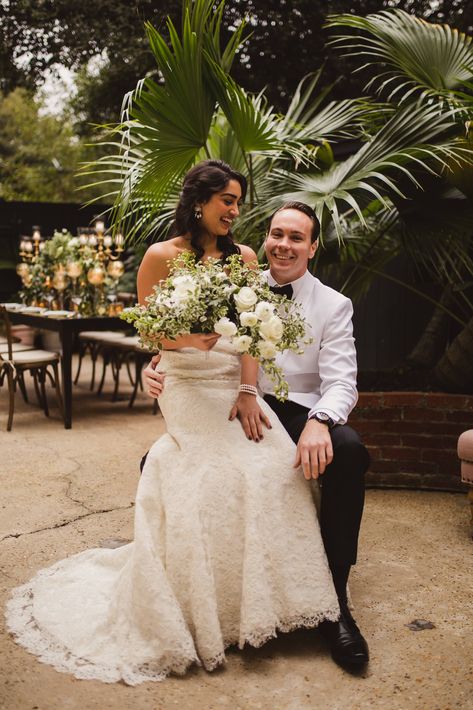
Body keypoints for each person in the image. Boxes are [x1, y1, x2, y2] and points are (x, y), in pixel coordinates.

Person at [5, 161, 341, 685]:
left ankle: (265, 605)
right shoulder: (161, 258)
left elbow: (252, 332)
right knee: (210, 474)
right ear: (200, 201)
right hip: (184, 384)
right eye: (227, 200)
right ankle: (200, 609)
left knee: (272, 465)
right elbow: (150, 334)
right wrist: (184, 343)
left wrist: (251, 392)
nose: (235, 211)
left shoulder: (245, 258)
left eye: (237, 201)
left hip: (233, 383)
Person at [144, 199, 371, 671]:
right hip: (231, 404)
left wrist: (321, 422)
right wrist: (156, 368)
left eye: (295, 237)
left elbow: (342, 381)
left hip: (299, 410)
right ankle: (213, 596)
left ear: (312, 247)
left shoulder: (333, 305)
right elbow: (181, 342)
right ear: (265, 238)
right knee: (167, 462)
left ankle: (336, 604)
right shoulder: (232, 277)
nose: (283, 245)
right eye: (276, 234)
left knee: (348, 451)